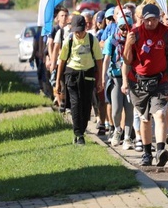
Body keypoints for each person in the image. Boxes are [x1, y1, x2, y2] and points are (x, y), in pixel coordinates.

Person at [122, 3, 168, 167]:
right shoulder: (135, 33)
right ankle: (146, 153)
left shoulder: (166, 33)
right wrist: (129, 44)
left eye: (153, 19)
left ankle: (160, 150)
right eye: (147, 20)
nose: (150, 23)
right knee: (144, 118)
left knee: (160, 114)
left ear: (158, 18)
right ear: (142, 19)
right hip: (138, 82)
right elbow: (127, 60)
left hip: (160, 81)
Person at [56, 14, 103, 145]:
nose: (78, 34)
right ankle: (78, 134)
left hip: (88, 74)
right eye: (76, 31)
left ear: (86, 28)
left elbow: (99, 60)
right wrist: (57, 82)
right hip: (72, 74)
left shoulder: (92, 40)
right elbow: (62, 61)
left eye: (80, 31)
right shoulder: (69, 40)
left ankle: (81, 130)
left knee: (86, 105)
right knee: (75, 104)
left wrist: (100, 80)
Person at [103, 8, 134, 148]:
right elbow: (107, 58)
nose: (124, 31)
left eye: (127, 28)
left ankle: (127, 137)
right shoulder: (112, 39)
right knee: (116, 109)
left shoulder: (134, 40)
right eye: (122, 28)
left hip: (131, 78)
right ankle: (117, 130)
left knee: (129, 109)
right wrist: (103, 77)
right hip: (116, 78)